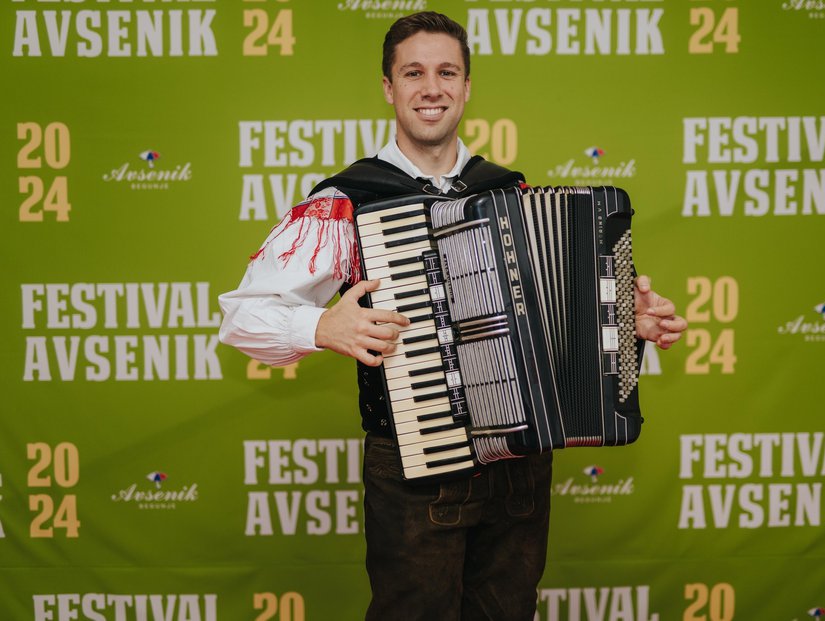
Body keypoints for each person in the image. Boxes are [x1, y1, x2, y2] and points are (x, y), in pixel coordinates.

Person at [219, 11, 687, 620]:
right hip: (414, 472)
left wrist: (628, 330)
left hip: (519, 470)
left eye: (447, 72)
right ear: (389, 87)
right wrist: (320, 326)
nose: (431, 87)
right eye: (413, 72)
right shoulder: (348, 199)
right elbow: (241, 318)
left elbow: (551, 329)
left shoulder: (509, 193)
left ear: (467, 86)